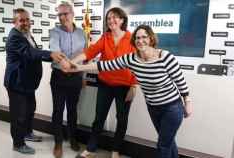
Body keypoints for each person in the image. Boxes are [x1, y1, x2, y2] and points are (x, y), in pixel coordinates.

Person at [64, 25, 192, 158]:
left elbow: (180, 81)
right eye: (137, 38)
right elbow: (104, 65)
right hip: (153, 107)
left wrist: (187, 102)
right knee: (168, 141)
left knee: (163, 145)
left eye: (144, 37)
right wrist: (79, 67)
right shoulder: (131, 59)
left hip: (171, 107)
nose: (140, 40)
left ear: (151, 39)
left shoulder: (165, 57)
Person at [64, 7, 137, 158]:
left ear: (122, 20)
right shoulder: (105, 37)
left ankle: (116, 150)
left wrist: (134, 86)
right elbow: (89, 52)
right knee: (99, 118)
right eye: (109, 18)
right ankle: (91, 148)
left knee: (122, 120)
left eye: (115, 17)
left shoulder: (132, 38)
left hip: (125, 86)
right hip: (105, 84)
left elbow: (138, 64)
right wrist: (71, 62)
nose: (111, 20)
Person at [4, 8, 65, 155]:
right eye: (21, 20)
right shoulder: (14, 37)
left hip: (27, 83)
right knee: (19, 115)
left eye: (27, 19)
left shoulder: (26, 34)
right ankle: (18, 144)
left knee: (30, 109)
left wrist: (51, 56)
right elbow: (30, 53)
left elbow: (34, 53)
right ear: (14, 22)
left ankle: (27, 133)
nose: (25, 23)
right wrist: (50, 54)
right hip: (16, 83)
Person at [49, 2, 86, 158]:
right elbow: (55, 51)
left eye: (65, 13)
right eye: (60, 14)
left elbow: (85, 55)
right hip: (59, 77)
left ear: (72, 14)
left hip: (76, 78)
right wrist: (64, 63)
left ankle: (73, 138)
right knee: (58, 111)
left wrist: (82, 76)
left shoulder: (82, 33)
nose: (63, 17)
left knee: (72, 110)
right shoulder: (54, 32)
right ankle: (58, 142)